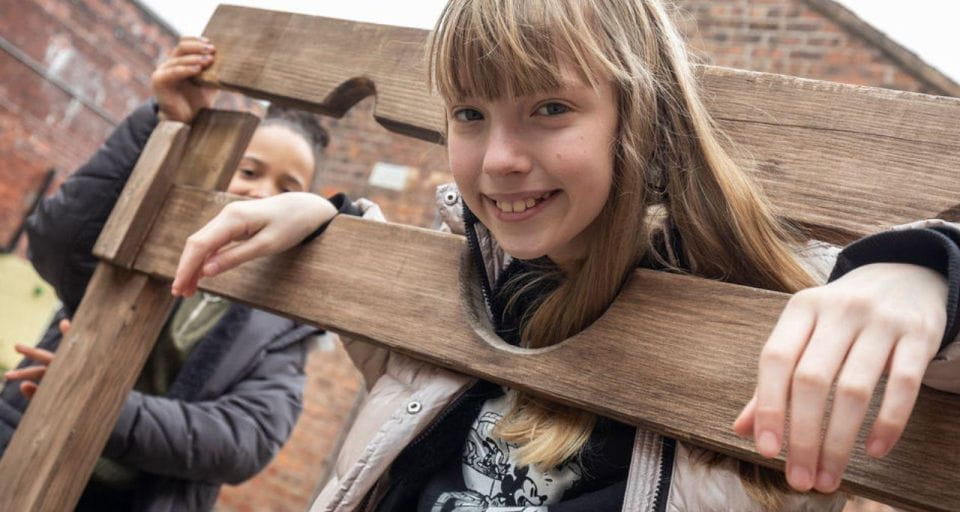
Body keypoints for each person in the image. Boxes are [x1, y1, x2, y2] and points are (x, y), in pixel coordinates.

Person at [171, 2, 960, 511]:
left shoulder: (780, 311)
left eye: (549, 108)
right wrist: (325, 214)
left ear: (640, 120)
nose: (500, 158)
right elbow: (381, 287)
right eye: (470, 114)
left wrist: (929, 277)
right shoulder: (465, 288)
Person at [0, 37, 375, 511]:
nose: (262, 194)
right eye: (249, 170)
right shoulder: (148, 232)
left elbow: (247, 438)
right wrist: (165, 121)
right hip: (22, 455)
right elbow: (58, 239)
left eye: (288, 188)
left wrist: (100, 400)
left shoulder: (281, 320)